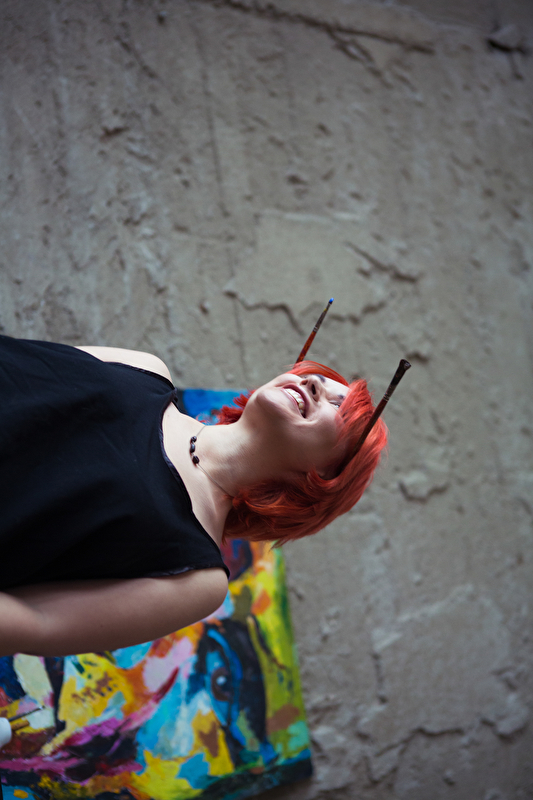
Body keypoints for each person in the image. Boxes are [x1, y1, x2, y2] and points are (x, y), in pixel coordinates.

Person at [0, 335, 387, 657]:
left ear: (327, 478)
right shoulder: (143, 369)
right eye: (317, 377)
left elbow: (37, 623)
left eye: (339, 409)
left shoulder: (196, 578)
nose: (315, 384)